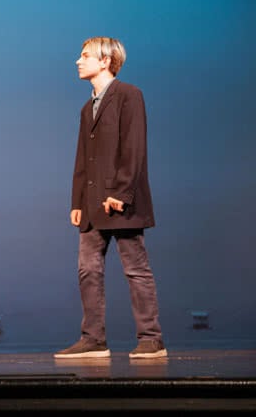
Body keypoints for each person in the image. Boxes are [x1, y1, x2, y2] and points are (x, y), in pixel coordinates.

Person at [55, 37, 167, 360]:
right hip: (92, 206)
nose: (78, 60)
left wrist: (121, 193)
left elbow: (133, 149)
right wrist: (76, 201)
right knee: (88, 270)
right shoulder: (86, 108)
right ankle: (93, 339)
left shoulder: (129, 96)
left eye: (85, 55)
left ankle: (151, 338)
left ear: (105, 61)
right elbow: (82, 159)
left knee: (136, 269)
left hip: (120, 202)